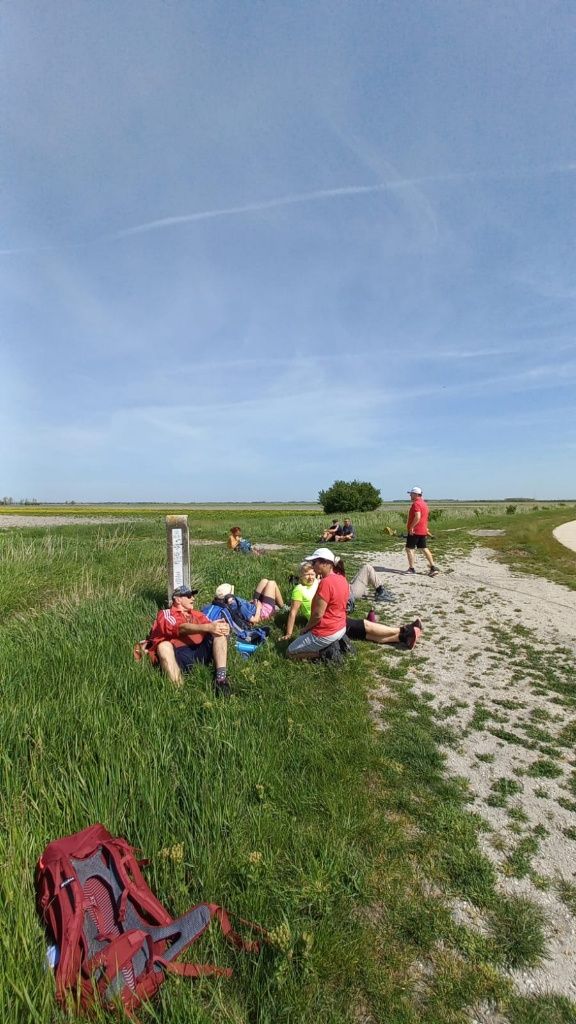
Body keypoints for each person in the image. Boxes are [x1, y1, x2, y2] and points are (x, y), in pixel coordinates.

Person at [146, 585, 232, 695]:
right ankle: (179, 691)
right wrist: (208, 627)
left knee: (218, 631)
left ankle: (221, 680)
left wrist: (222, 627)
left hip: (198, 652)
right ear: (177, 599)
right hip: (179, 655)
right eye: (189, 596)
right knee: (163, 646)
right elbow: (179, 628)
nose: (193, 598)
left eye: (193, 596)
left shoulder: (197, 615)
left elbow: (211, 626)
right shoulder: (166, 614)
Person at [286, 548, 349, 661]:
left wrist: (306, 628)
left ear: (325, 563)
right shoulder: (341, 578)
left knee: (290, 652)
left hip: (327, 631)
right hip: (341, 626)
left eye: (314, 562)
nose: (313, 565)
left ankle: (325, 653)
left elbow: (317, 614)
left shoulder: (325, 583)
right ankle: (335, 643)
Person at [215, 579, 285, 625]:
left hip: (254, 606)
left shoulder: (230, 604)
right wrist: (258, 608)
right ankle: (283, 607)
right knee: (272, 583)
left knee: (264, 581)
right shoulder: (240, 607)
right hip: (262, 612)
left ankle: (276, 605)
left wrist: (249, 603)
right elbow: (255, 620)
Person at [281, 561, 319, 640]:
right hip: (316, 621)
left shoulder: (317, 582)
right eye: (307, 575)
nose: (310, 577)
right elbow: (293, 612)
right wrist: (289, 634)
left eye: (312, 574)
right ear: (301, 576)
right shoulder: (299, 589)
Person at [405, 487, 439, 576]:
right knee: (424, 548)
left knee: (409, 549)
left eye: (411, 493)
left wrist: (411, 527)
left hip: (415, 531)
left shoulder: (416, 504)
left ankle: (411, 569)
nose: (410, 495)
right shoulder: (424, 504)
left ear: (416, 494)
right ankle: (433, 567)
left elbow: (418, 517)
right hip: (423, 530)